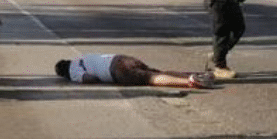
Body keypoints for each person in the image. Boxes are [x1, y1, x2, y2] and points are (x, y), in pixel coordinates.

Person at [54, 55, 215, 89]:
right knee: (156, 71)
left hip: (117, 70)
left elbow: (89, 78)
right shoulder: (82, 59)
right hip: (121, 58)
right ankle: (195, 75)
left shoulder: (72, 70)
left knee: (151, 78)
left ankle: (189, 82)